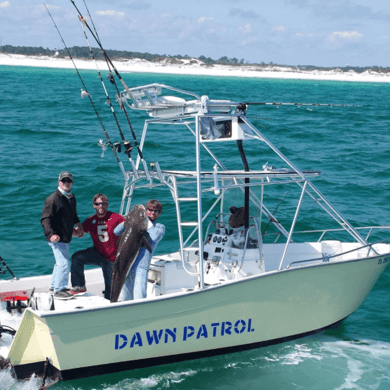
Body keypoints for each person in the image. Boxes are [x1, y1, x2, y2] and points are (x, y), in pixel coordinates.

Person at [70, 194, 125, 300]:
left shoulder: (116, 217)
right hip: (98, 253)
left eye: (103, 204)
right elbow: (79, 233)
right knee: (76, 257)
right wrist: (64, 229)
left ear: (107, 204)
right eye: (97, 204)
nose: (100, 206)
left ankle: (110, 306)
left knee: (110, 292)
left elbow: (129, 229)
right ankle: (79, 286)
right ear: (94, 206)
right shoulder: (91, 220)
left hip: (112, 257)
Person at [41, 171, 83, 300]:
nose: (66, 183)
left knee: (60, 262)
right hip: (56, 237)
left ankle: (54, 286)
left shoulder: (71, 197)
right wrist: (51, 234)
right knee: (63, 263)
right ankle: (59, 290)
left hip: (65, 236)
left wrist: (77, 224)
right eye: (64, 181)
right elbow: (45, 219)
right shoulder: (53, 198)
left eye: (68, 181)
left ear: (72, 183)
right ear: (59, 182)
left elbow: (73, 214)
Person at [115, 200, 165, 301]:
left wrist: (145, 221)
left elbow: (154, 237)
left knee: (139, 297)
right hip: (127, 265)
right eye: (150, 210)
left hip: (141, 267)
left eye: (156, 211)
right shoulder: (135, 224)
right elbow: (116, 231)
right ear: (146, 210)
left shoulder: (159, 227)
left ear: (159, 213)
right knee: (125, 298)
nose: (152, 213)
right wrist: (128, 221)